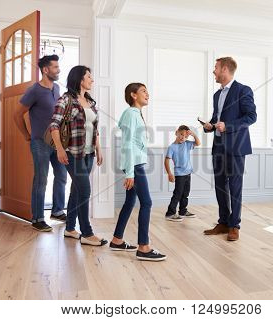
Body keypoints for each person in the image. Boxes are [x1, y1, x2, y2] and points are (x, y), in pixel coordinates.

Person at [49, 65, 107, 246]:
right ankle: (87, 234)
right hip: (72, 153)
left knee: (76, 190)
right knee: (85, 190)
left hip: (88, 153)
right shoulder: (66, 99)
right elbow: (54, 126)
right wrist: (59, 149)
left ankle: (69, 228)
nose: (92, 80)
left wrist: (98, 149)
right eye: (89, 76)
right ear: (80, 79)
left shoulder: (90, 101)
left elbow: (94, 129)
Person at [110, 83, 166, 261]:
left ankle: (117, 240)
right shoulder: (130, 114)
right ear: (133, 95)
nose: (147, 94)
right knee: (147, 203)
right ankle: (143, 247)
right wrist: (129, 173)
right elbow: (127, 144)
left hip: (135, 164)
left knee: (129, 202)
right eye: (143, 91)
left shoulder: (136, 115)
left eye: (147, 91)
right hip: (135, 166)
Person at [202, 57, 257, 241]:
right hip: (218, 146)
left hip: (236, 147)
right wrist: (209, 125)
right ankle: (224, 222)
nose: (213, 71)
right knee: (220, 186)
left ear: (225, 69)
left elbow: (251, 117)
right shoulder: (217, 95)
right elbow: (216, 118)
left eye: (215, 68)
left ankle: (235, 225)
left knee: (234, 187)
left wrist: (228, 126)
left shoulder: (243, 90)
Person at [14, 55, 67, 232]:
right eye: (55, 67)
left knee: (61, 176)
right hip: (40, 143)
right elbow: (17, 114)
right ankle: (37, 218)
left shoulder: (57, 88)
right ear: (45, 70)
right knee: (41, 180)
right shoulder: (34, 90)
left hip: (57, 142)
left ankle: (58, 210)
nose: (58, 70)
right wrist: (26, 135)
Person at [164, 125, 201, 222]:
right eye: (181, 134)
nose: (182, 138)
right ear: (176, 132)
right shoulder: (172, 147)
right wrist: (169, 173)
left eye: (185, 136)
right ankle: (170, 213)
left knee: (185, 193)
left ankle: (183, 211)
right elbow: (166, 161)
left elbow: (198, 143)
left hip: (188, 173)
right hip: (179, 174)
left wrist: (193, 134)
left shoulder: (187, 144)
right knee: (178, 194)